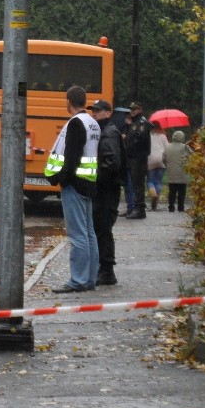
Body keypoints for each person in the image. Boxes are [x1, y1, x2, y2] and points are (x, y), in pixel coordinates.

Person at [45, 86, 100, 293]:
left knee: (77, 235)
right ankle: (90, 279)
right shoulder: (93, 123)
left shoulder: (76, 123)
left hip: (75, 184)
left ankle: (77, 280)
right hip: (89, 183)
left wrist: (61, 179)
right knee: (89, 234)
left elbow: (72, 156)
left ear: (68, 102)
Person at [87, 99, 125, 286]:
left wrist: (95, 177)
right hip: (106, 189)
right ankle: (103, 269)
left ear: (108, 113)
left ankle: (107, 271)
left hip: (106, 190)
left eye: (98, 111)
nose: (95, 114)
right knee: (101, 228)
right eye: (94, 111)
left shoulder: (109, 133)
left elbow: (112, 163)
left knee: (103, 229)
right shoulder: (105, 131)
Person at [124, 102, 151, 219]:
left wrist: (128, 141)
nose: (132, 111)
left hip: (138, 157)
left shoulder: (141, 122)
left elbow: (139, 138)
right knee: (135, 184)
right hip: (133, 157)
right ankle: (136, 208)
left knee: (138, 184)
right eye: (131, 109)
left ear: (140, 109)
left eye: (134, 109)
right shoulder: (134, 122)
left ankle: (140, 209)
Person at [164, 130, 192, 212]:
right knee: (182, 192)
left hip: (171, 172)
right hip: (182, 172)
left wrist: (167, 164)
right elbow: (193, 155)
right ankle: (181, 207)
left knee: (172, 191)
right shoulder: (185, 147)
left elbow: (163, 158)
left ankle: (171, 207)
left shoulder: (167, 146)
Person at [147, 120, 169, 211]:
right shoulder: (163, 136)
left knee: (150, 181)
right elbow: (167, 148)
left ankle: (153, 195)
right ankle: (156, 199)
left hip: (150, 159)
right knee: (158, 181)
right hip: (161, 160)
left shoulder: (148, 136)